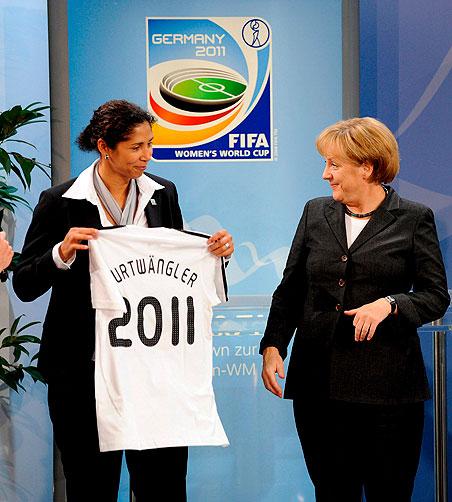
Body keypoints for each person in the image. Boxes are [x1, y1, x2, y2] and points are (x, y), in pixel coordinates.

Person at [12, 99, 234, 501]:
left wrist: (215, 254)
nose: (147, 155)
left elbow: (174, 266)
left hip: (155, 372)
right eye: (136, 147)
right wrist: (60, 253)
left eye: (150, 144)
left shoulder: (163, 194)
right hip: (83, 374)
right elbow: (25, 283)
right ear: (104, 147)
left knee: (163, 487)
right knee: (91, 487)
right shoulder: (59, 201)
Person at [260, 117, 449, 502]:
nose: (325, 174)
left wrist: (391, 304)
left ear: (367, 167)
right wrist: (273, 345)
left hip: (388, 390)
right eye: (325, 163)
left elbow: (435, 295)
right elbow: (292, 288)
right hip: (319, 387)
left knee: (389, 493)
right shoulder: (315, 213)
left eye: (334, 164)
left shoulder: (414, 218)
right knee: (332, 492)